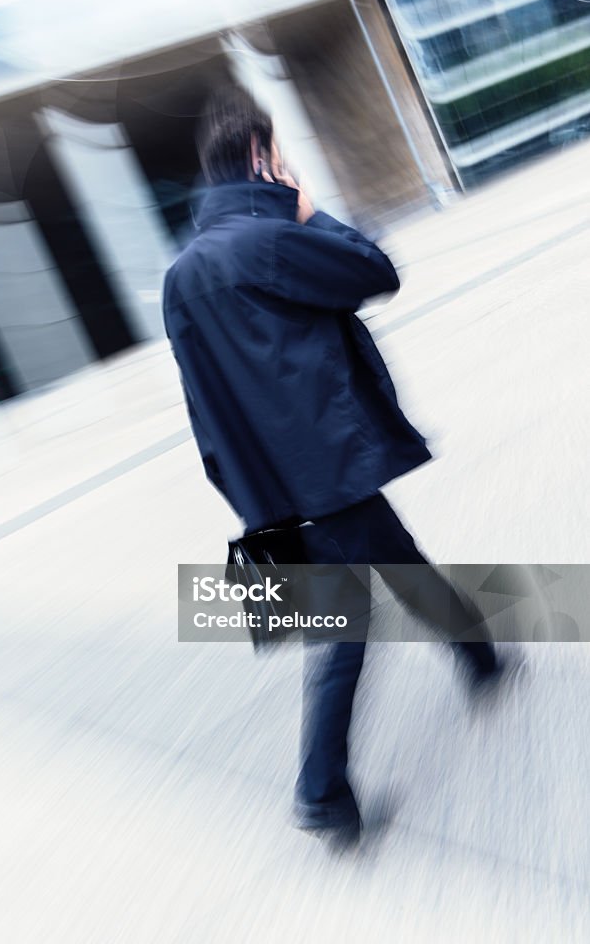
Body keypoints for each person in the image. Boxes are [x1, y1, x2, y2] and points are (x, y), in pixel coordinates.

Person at [163, 85, 503, 851]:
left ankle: (478, 657)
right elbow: (373, 271)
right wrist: (310, 210)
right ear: (259, 155)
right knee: (341, 627)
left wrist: (241, 493)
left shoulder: (181, 276)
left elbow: (200, 401)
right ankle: (320, 792)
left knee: (402, 566)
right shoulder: (267, 240)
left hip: (271, 484)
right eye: (278, 152)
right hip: (329, 468)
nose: (284, 165)